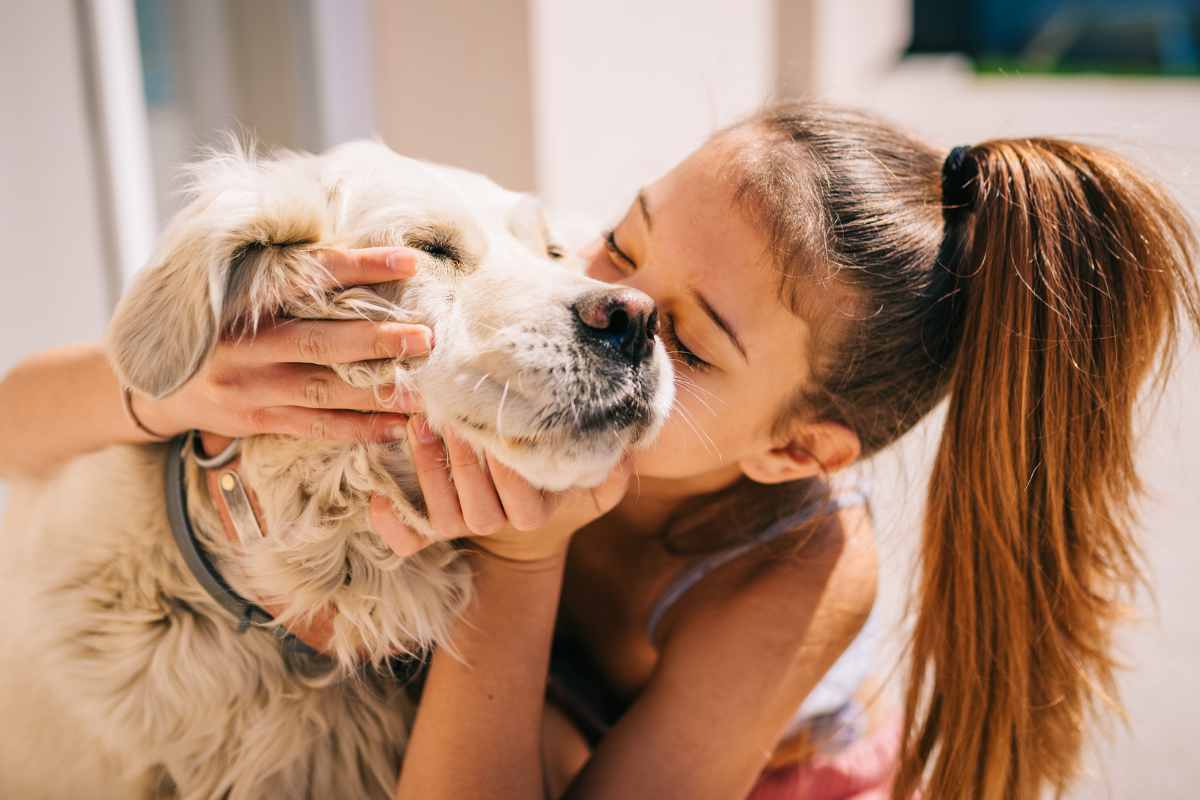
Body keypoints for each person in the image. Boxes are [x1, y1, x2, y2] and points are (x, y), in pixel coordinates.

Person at [1, 101, 1196, 800]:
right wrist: (175, 386)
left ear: (795, 447)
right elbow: (14, 424)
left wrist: (523, 563)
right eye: (622, 239)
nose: (609, 305)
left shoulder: (799, 568)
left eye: (688, 336)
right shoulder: (565, 307)